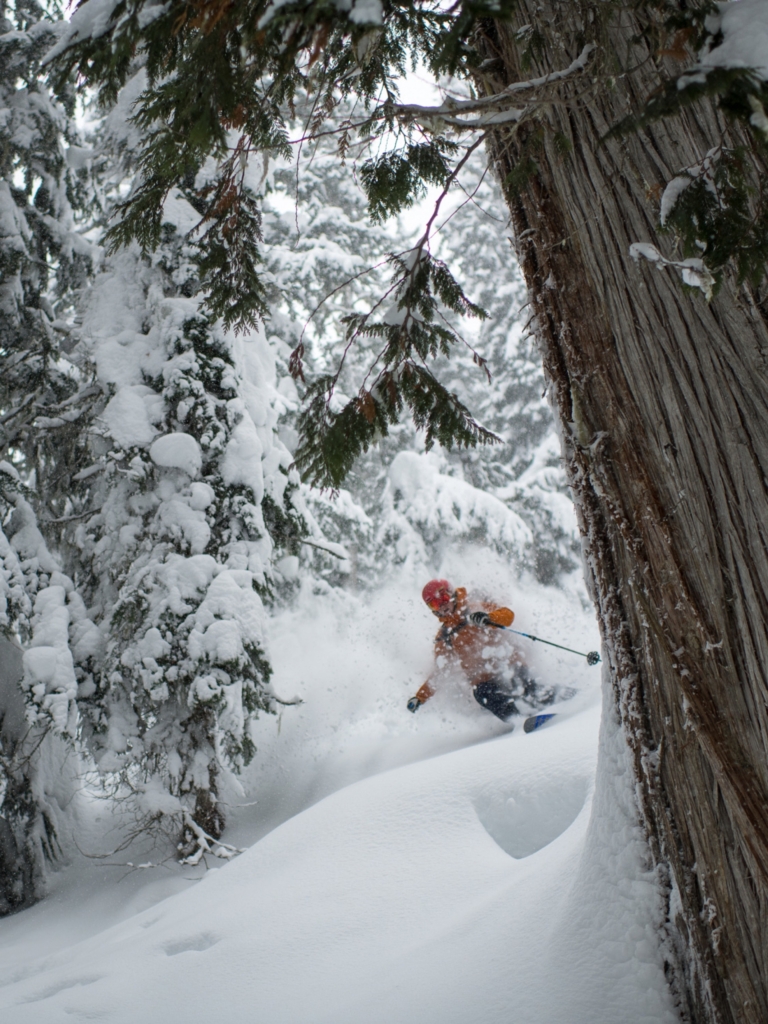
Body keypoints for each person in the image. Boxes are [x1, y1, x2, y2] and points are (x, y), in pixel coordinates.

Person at [407, 578, 555, 722]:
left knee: (521, 678)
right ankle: (519, 719)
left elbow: (508, 616)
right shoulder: (445, 637)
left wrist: (489, 618)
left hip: (506, 664)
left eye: (443, 597)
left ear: (451, 593)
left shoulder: (475, 608)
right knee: (481, 692)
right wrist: (420, 698)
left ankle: (552, 699)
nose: (442, 605)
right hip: (484, 680)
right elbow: (440, 672)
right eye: (434, 604)